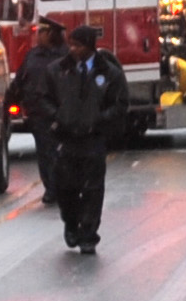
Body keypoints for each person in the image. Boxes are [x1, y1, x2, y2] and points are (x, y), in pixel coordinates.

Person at [37, 24, 126, 253]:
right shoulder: (57, 71)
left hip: (92, 140)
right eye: (71, 44)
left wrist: (99, 120)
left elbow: (119, 104)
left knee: (93, 190)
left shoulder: (109, 73)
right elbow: (44, 99)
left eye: (77, 45)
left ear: (89, 47)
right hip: (66, 140)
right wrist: (57, 117)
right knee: (66, 188)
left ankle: (88, 234)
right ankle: (71, 223)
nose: (72, 49)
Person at [15, 17, 69, 205]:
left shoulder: (66, 56)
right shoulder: (32, 55)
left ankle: (59, 188)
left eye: (41, 32)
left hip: (59, 113)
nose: (37, 36)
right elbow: (20, 80)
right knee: (44, 153)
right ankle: (50, 188)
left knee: (59, 152)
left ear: (49, 34)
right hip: (38, 114)